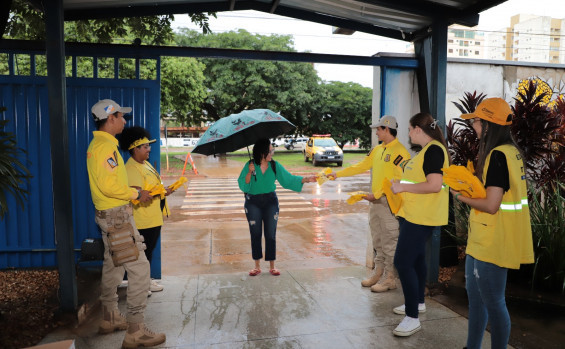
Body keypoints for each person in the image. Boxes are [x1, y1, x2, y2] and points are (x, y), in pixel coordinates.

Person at [86, 99, 166, 348]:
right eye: (122, 117)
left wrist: (131, 189)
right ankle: (135, 331)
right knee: (140, 270)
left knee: (113, 265)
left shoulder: (101, 145)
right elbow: (109, 186)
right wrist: (135, 193)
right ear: (111, 118)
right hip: (117, 217)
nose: (124, 121)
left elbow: (109, 183)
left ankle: (109, 316)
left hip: (109, 215)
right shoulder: (105, 149)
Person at [458, 98, 534, 349]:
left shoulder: (498, 156)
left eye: (478, 121)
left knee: (493, 302)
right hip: (484, 239)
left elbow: (492, 205)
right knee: (477, 300)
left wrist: (461, 196)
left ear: (490, 124)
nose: (474, 126)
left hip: (493, 241)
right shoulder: (510, 152)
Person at [328, 115, 410, 292]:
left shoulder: (400, 152)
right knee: (378, 240)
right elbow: (361, 166)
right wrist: (338, 174)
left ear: (387, 129)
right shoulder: (377, 150)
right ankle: (378, 273)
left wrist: (377, 194)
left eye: (378, 129)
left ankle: (390, 278)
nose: (377, 133)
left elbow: (398, 179)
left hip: (389, 203)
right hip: (375, 202)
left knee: (390, 241)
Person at [390, 112, 450, 337]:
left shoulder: (434, 149)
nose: (407, 133)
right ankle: (418, 302)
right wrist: (401, 183)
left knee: (402, 262)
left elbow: (434, 185)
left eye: (408, 128)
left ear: (418, 129)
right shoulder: (427, 150)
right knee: (415, 260)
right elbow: (421, 180)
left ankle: (412, 317)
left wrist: (403, 187)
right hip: (414, 214)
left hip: (421, 216)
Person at [238, 138, 316, 276]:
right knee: (255, 234)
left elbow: (288, 180)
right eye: (270, 150)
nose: (272, 153)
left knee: (270, 233)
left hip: (270, 202)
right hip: (253, 202)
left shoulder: (274, 165)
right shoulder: (249, 165)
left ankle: (272, 266)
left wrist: (306, 179)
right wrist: (249, 172)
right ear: (262, 152)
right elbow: (243, 186)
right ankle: (256, 266)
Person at [119, 126, 174, 294]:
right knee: (142, 255)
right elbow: (139, 195)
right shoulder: (132, 169)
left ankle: (146, 282)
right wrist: (158, 192)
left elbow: (152, 189)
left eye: (148, 146)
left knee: (147, 253)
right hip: (142, 220)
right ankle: (141, 286)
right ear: (135, 149)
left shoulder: (145, 165)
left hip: (153, 217)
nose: (149, 149)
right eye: (145, 147)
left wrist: (165, 191)